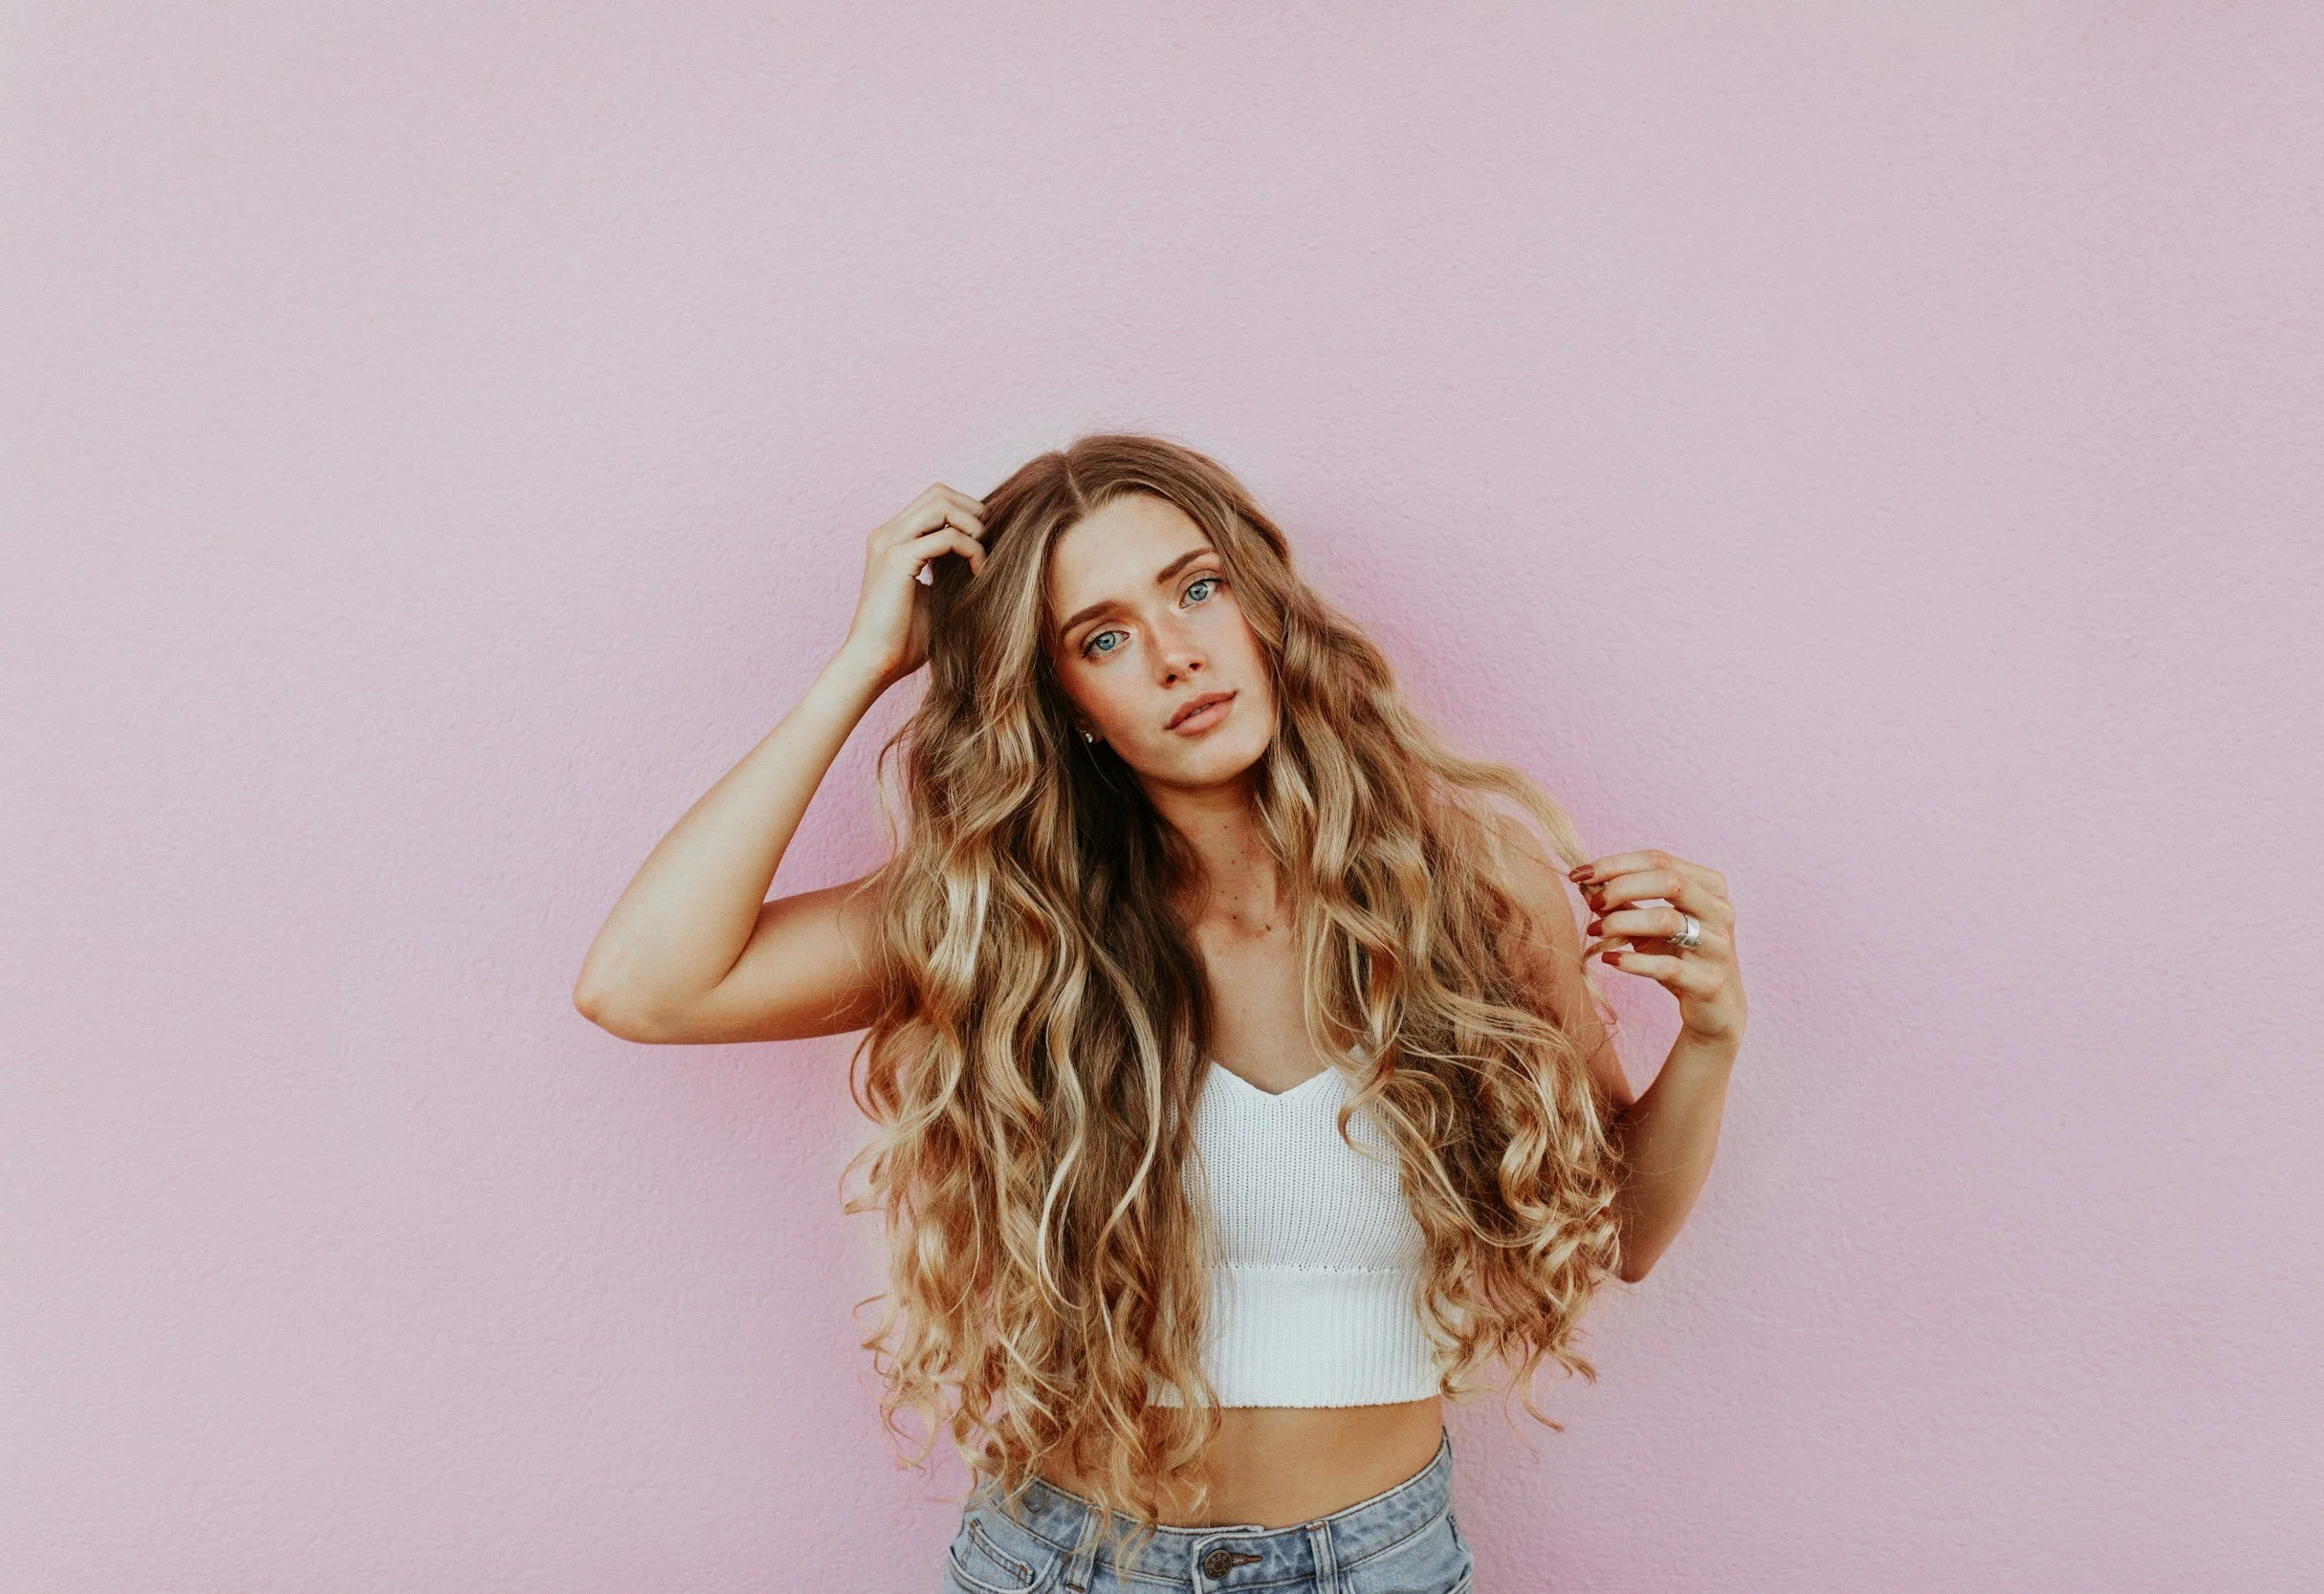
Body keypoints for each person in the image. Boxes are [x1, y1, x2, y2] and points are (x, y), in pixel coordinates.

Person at [573, 434, 1747, 1592]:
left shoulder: (1471, 888)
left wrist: (1708, 1037)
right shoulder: (1012, 923)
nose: (1178, 654)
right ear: (1066, 700)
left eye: (1197, 588)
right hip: (1067, 1561)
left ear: (1264, 605)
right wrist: (868, 661)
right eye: (1104, 637)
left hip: (1377, 1564)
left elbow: (1621, 1236)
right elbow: (645, 983)